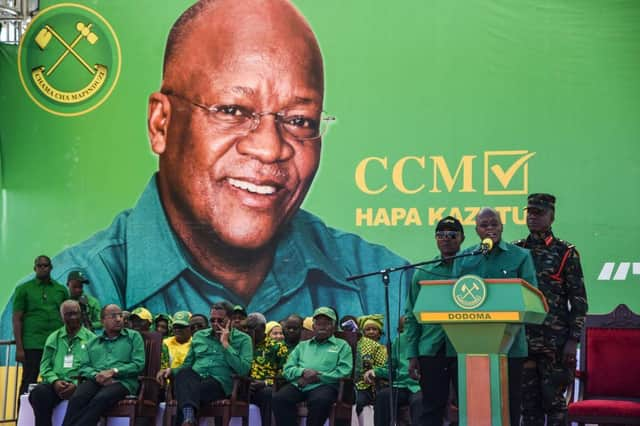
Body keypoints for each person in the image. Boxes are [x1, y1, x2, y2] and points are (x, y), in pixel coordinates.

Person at [0, 0, 409, 340]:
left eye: (299, 120)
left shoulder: (383, 286)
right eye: (232, 111)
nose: (269, 148)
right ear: (161, 124)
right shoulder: (85, 288)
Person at [453, 207, 538, 426]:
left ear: (502, 227)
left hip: (510, 346)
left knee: (509, 404)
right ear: (476, 230)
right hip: (472, 349)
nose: (490, 228)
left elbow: (531, 298)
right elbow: (452, 297)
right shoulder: (464, 258)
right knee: (475, 407)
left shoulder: (520, 256)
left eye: (494, 224)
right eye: (484, 225)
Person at [514, 194, 588, 426]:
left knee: (554, 403)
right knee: (528, 405)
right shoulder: (517, 251)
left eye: (539, 213)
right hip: (523, 340)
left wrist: (573, 341)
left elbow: (579, 302)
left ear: (551, 217)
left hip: (554, 343)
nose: (533, 217)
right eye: (530, 212)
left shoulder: (565, 252)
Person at [404, 216, 464, 426]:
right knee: (431, 407)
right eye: (441, 235)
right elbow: (412, 317)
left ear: (462, 238)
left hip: (465, 348)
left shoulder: (471, 269)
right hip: (431, 348)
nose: (446, 239)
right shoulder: (424, 272)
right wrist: (412, 354)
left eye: (452, 235)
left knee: (470, 406)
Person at [156, 301, 252, 426]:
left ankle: (188, 417)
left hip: (220, 383)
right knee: (184, 374)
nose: (215, 324)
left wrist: (226, 344)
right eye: (212, 320)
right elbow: (187, 364)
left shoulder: (244, 339)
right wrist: (170, 371)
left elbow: (243, 369)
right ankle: (189, 418)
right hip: (196, 378)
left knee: (186, 393)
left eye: (220, 321)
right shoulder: (199, 336)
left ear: (230, 320)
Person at [61, 304, 145, 426]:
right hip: (97, 380)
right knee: (78, 397)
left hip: (123, 382)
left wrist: (114, 371)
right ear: (102, 321)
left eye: (120, 315)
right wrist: (98, 376)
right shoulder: (93, 342)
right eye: (113, 316)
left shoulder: (133, 337)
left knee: (101, 398)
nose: (118, 319)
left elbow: (138, 364)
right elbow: (84, 367)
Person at [272, 307, 353, 426]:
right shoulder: (302, 346)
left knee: (320, 401)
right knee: (279, 399)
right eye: (319, 323)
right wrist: (303, 372)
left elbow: (344, 372)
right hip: (301, 384)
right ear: (313, 327)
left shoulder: (342, 346)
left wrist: (319, 377)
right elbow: (287, 369)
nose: (322, 327)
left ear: (334, 327)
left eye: (327, 323)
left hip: (325, 385)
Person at [29, 300, 95, 426]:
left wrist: (76, 384)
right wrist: (55, 382)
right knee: (38, 394)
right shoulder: (54, 338)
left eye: (76, 313)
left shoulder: (91, 339)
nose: (73, 317)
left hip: (80, 386)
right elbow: (44, 366)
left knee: (84, 396)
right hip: (57, 385)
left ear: (81, 314)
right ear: (61, 317)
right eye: (68, 314)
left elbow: (96, 368)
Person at [13, 255, 68, 395]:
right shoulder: (23, 289)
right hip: (32, 344)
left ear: (51, 267)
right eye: (40, 266)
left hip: (56, 344)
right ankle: (22, 416)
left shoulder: (61, 290)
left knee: (56, 380)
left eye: (46, 265)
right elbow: (17, 318)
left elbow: (67, 316)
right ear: (34, 268)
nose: (43, 268)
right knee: (28, 381)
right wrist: (19, 348)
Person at [364, 316, 423, 426]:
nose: (406, 330)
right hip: (401, 385)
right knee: (383, 396)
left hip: (420, 386)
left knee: (418, 401)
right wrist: (375, 372)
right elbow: (390, 367)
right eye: (403, 328)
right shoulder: (399, 340)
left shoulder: (425, 339)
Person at [246, 313, 289, 426]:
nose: (250, 332)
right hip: (243, 386)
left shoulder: (277, 347)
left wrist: (265, 383)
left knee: (268, 394)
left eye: (253, 329)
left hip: (265, 387)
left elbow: (285, 374)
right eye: (247, 328)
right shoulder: (243, 345)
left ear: (263, 328)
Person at [354, 314, 387, 416]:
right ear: (363, 332)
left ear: (379, 333)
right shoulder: (358, 345)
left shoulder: (382, 349)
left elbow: (383, 368)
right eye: (368, 329)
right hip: (356, 384)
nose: (371, 332)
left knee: (360, 401)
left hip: (372, 386)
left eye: (374, 329)